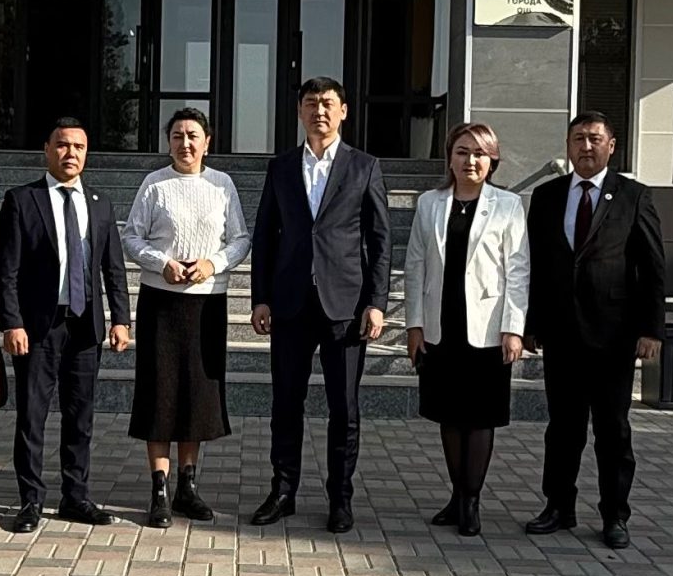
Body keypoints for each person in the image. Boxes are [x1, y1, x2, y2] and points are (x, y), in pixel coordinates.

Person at [249, 76, 391, 534]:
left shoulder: (364, 166)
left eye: (328, 103)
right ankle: (283, 491)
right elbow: (265, 235)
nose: (319, 111)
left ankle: (340, 498)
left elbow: (380, 241)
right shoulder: (281, 167)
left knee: (343, 408)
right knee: (285, 404)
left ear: (343, 111)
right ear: (299, 112)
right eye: (311, 103)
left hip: (344, 307)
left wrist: (376, 302)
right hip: (289, 304)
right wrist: (260, 297)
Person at [524, 110, 665, 550]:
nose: (586, 146)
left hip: (614, 336)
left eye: (594, 138)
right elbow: (535, 265)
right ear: (568, 146)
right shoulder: (547, 196)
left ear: (611, 145)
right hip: (561, 335)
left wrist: (651, 329)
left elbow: (652, 267)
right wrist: (531, 323)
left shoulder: (633, 196)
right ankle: (558, 506)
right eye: (578, 139)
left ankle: (614, 514)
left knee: (612, 431)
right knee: (562, 429)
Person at [0, 117, 131, 533]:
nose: (70, 153)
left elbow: (113, 268)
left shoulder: (100, 202)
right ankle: (30, 501)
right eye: (62, 145)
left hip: (85, 325)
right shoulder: (22, 200)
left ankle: (76, 496)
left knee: (80, 416)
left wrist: (121, 319)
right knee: (32, 416)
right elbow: (7, 269)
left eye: (79, 146)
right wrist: (12, 322)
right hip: (38, 326)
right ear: (47, 149)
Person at [122, 108, 251, 528]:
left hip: (206, 303)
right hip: (161, 303)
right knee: (160, 391)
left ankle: (187, 487)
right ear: (169, 142)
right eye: (177, 135)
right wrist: (162, 263)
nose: (185, 143)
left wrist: (213, 264)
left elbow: (240, 239)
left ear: (207, 142)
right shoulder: (154, 184)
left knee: (197, 393)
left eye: (193, 135)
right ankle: (158, 489)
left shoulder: (222, 184)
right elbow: (131, 236)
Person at [404, 123, 529, 537]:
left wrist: (514, 328)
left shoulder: (508, 205)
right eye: (462, 152)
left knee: (479, 418)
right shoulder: (430, 203)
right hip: (441, 327)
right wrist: (414, 324)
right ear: (450, 157)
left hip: (488, 330)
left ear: (492, 160)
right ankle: (457, 495)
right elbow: (415, 265)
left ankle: (472, 501)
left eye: (479, 153)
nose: (470, 160)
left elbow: (518, 270)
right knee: (449, 415)